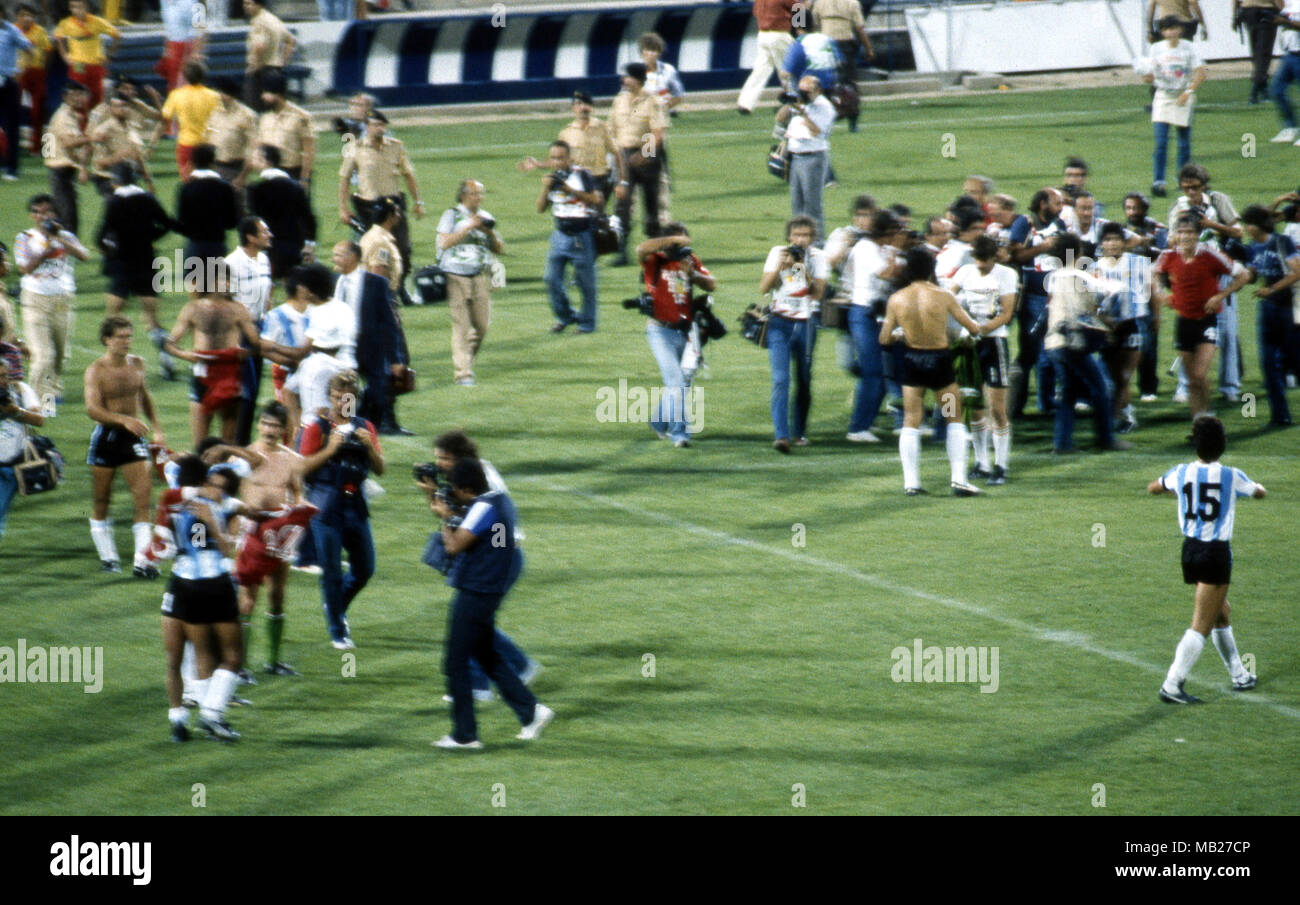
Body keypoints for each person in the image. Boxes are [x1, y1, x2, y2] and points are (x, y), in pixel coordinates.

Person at [431, 457, 553, 750]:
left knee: (455, 661)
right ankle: (531, 711)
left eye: (455, 489)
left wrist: (445, 516)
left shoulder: (482, 509)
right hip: (491, 588)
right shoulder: (501, 500)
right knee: (486, 654)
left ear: (465, 489)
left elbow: (453, 546)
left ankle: (465, 735)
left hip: (477, 591)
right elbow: (496, 543)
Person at [1148, 415, 1264, 704]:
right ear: (1223, 445)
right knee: (1201, 623)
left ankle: (1239, 675)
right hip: (1215, 553)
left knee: (1220, 611)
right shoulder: (1231, 475)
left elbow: (1154, 487)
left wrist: (1175, 492)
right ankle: (1172, 684)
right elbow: (1259, 493)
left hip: (1190, 551)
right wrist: (1255, 489)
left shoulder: (1181, 471)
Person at [421, 430, 542, 703]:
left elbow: (485, 521)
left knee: (471, 622)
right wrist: (434, 497)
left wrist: (448, 516)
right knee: (477, 622)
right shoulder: (462, 476)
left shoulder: (483, 480)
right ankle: (520, 666)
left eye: (445, 458)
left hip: (501, 558)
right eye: (437, 457)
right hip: (487, 557)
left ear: (462, 458)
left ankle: (478, 685)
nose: (440, 463)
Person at [878, 247, 988, 496]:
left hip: (912, 362)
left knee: (911, 419)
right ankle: (959, 479)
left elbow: (884, 339)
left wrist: (899, 334)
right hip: (940, 364)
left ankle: (911, 483)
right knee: (953, 417)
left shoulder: (896, 299)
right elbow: (972, 327)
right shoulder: (943, 295)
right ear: (931, 269)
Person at [156, 455, 247, 741]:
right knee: (231, 657)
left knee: (176, 658)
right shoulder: (205, 507)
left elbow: (163, 548)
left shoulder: (169, 504)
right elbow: (218, 550)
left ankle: (179, 721)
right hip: (213, 585)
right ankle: (211, 714)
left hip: (178, 586)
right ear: (204, 480)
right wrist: (217, 526)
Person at [299, 370, 384, 650]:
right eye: (337, 397)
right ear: (330, 397)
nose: (341, 403)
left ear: (355, 398)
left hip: (355, 503)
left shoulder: (365, 427)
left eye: (347, 398)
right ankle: (338, 631)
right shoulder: (318, 428)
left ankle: (335, 605)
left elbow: (380, 469)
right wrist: (330, 449)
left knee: (366, 567)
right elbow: (301, 469)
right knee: (332, 571)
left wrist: (369, 447)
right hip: (325, 505)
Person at [233, 401, 316, 676]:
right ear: (258, 424)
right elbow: (226, 495)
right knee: (247, 598)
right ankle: (240, 666)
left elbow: (298, 492)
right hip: (252, 530)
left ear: (283, 429)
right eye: (265, 423)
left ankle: (273, 661)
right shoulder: (243, 457)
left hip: (279, 532)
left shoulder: (291, 459)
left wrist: (300, 509)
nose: (269, 430)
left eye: (275, 425)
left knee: (277, 596)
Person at [85, 315, 165, 576]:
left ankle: (142, 562)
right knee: (101, 499)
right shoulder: (96, 370)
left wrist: (158, 429)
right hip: (106, 438)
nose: (126, 341)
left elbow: (145, 397)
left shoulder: (138, 364)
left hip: (133, 439)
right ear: (106, 340)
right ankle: (108, 558)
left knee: (143, 499)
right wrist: (123, 420)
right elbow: (93, 409)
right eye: (120, 337)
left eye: (129, 336)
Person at [1153, 217, 1252, 426]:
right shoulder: (1168, 256)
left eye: (1190, 232)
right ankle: (1199, 423)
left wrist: (1220, 296)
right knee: (1192, 378)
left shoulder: (1210, 255)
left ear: (1197, 234)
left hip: (1207, 321)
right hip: (1184, 322)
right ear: (1175, 235)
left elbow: (1243, 275)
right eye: (1181, 232)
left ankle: (1207, 417)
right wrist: (1161, 294)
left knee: (1199, 374)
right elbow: (1152, 274)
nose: (1186, 236)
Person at [1042, 234, 1130, 454]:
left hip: (1054, 342)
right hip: (1071, 342)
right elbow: (1082, 309)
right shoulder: (1075, 276)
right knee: (1101, 388)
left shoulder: (1055, 276)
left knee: (1069, 392)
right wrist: (1103, 327)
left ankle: (1062, 444)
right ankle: (1106, 439)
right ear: (1076, 251)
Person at [164, 258, 263, 446]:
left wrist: (246, 352)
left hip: (230, 372)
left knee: (229, 440)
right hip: (203, 372)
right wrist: (186, 355)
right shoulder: (192, 308)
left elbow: (256, 343)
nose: (226, 283)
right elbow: (170, 343)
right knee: (201, 441)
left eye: (227, 279)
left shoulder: (239, 309)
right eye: (220, 279)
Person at [1167, 165, 1243, 403]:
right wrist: (1182, 232)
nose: (1190, 191)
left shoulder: (1218, 200)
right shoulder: (1179, 207)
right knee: (1189, 329)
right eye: (1186, 187)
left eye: (1195, 187)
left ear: (1204, 185)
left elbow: (1238, 232)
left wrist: (1212, 225)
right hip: (1191, 272)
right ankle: (1185, 386)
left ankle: (1230, 386)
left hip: (1219, 270)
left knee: (1228, 331)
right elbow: (1170, 240)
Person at [636, 222, 715, 447]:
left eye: (683, 241)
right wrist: (670, 242)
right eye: (675, 242)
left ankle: (659, 422)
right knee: (677, 382)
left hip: (687, 332)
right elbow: (640, 250)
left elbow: (712, 284)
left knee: (681, 383)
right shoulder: (655, 261)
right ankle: (680, 434)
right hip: (659, 331)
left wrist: (694, 276)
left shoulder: (690, 261)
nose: (680, 246)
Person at [948, 235, 1018, 483]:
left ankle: (1001, 466)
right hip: (971, 343)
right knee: (974, 406)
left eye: (985, 262)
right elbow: (948, 297)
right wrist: (965, 325)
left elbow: (1007, 314)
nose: (980, 265)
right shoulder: (965, 272)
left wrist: (981, 329)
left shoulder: (1007, 274)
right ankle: (982, 463)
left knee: (997, 408)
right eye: (977, 261)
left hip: (994, 342)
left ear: (994, 257)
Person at [97, 163, 174, 381]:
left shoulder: (114, 202)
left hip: (121, 265)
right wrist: (150, 238)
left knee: (113, 319)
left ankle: (114, 367)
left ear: (115, 180)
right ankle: (167, 360)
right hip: (146, 262)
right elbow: (167, 224)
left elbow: (100, 236)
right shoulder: (148, 199)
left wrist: (109, 252)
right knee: (151, 318)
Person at [337, 108, 422, 298]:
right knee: (370, 248)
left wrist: (418, 201)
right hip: (368, 206)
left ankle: (399, 286)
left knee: (403, 248)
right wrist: (343, 208)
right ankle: (370, 290)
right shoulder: (355, 148)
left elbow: (408, 174)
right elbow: (344, 178)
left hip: (393, 205)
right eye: (376, 125)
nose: (380, 128)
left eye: (382, 125)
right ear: (367, 127)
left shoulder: (396, 147)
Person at [16, 194, 89, 409]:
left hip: (62, 299)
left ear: (54, 214)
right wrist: (46, 251)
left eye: (47, 211)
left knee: (60, 352)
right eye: (37, 212)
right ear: (32, 215)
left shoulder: (65, 235)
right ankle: (34, 401)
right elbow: (25, 268)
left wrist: (60, 239)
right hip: (35, 299)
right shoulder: (24, 238)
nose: (42, 216)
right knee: (43, 354)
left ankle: (53, 387)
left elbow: (83, 255)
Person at [760, 215, 827, 453]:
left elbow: (817, 293)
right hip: (780, 323)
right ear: (789, 236)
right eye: (797, 235)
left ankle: (799, 431)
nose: (801, 240)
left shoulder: (818, 257)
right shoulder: (778, 252)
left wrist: (800, 268)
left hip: (806, 325)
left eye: (806, 235)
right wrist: (781, 266)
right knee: (780, 379)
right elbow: (764, 287)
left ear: (813, 237)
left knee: (804, 379)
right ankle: (781, 436)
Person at [998, 189, 1067, 418]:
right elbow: (1015, 256)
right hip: (1031, 298)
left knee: (1053, 348)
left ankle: (1046, 403)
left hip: (1055, 296)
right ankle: (1013, 407)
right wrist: (1043, 247)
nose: (1061, 206)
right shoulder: (1023, 223)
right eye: (1057, 202)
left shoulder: (1060, 225)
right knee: (1029, 352)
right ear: (1042, 205)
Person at [329, 240, 405, 433]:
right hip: (341, 348)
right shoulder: (333, 280)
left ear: (352, 257)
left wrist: (395, 359)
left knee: (379, 396)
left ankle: (369, 432)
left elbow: (389, 323)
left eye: (338, 254)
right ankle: (347, 434)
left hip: (370, 349)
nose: (333, 259)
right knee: (345, 395)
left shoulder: (376, 283)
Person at [842, 209, 904, 443]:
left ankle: (865, 424)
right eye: (894, 231)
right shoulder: (866, 248)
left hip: (878, 314)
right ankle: (857, 428)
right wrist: (897, 249)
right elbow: (889, 273)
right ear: (884, 232)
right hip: (865, 314)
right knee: (873, 372)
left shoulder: (878, 248)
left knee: (886, 371)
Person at [1238, 203, 1300, 426]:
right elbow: (1253, 274)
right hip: (1268, 309)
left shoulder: (1281, 242)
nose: (1246, 228)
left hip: (1289, 307)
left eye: (1248, 224)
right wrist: (1244, 274)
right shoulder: (1253, 247)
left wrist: (1271, 289)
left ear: (1257, 225)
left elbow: (1296, 272)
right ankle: (1280, 416)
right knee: (1267, 363)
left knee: (1293, 359)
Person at [437, 179, 502, 387]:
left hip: (479, 275)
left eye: (481, 193)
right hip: (456, 275)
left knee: (482, 326)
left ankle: (466, 362)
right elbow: (444, 242)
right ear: (463, 195)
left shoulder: (486, 217)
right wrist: (468, 227)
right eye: (475, 193)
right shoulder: (452, 215)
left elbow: (499, 248)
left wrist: (488, 231)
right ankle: (463, 373)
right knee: (461, 325)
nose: (479, 197)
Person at [1090, 222, 1153, 435]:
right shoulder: (1094, 268)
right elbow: (1091, 300)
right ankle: (1119, 414)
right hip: (1106, 327)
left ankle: (1122, 418)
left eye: (1116, 239)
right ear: (1101, 244)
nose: (1112, 243)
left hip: (1131, 324)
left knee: (1124, 376)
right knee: (1110, 374)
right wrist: (1103, 321)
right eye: (1107, 239)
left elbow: (1153, 290)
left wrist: (1156, 317)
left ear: (1123, 242)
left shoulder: (1138, 263)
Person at [520, 90, 624, 211]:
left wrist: (621, 181)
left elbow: (617, 154)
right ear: (573, 108)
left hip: (598, 180)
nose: (583, 108)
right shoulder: (566, 132)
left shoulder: (602, 127)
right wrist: (538, 164)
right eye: (579, 104)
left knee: (596, 217)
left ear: (591, 107)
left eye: (586, 104)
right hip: (577, 181)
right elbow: (558, 159)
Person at [1138, 17, 1206, 199]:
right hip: (1163, 96)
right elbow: (1149, 76)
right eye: (1166, 30)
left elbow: (1201, 73)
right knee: (1161, 143)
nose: (1170, 33)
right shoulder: (1156, 49)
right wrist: (1145, 75)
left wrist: (1189, 91)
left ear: (1180, 29)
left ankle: (1182, 180)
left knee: (1183, 143)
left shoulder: (1188, 48)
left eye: (1173, 28)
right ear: (1162, 32)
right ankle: (1158, 182)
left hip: (1182, 95)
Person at [538, 139, 602, 334]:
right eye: (553, 158)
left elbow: (596, 199)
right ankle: (566, 316)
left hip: (581, 235)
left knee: (586, 283)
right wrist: (545, 188)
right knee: (551, 279)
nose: (557, 162)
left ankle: (587, 324)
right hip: (559, 235)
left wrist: (569, 190)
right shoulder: (551, 178)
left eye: (561, 158)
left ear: (570, 158)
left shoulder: (582, 175)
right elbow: (540, 208)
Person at [609, 62, 667, 266]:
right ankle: (622, 252)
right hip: (624, 157)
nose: (624, 80)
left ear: (638, 79)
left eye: (628, 77)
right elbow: (612, 131)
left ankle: (655, 252)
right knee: (622, 205)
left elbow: (658, 132)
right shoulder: (619, 101)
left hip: (647, 159)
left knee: (651, 207)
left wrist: (645, 154)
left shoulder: (652, 101)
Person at [225, 215, 273, 443]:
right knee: (246, 391)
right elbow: (224, 300)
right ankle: (239, 445)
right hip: (240, 331)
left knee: (252, 391)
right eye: (264, 232)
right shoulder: (231, 263)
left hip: (260, 327)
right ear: (250, 237)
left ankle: (241, 443)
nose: (269, 235)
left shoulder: (264, 259)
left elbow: (268, 291)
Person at [248, 144, 317, 279]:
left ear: (265, 161)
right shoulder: (296, 187)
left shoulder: (256, 189)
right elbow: (308, 218)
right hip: (294, 245)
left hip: (269, 248)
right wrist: (310, 244)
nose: (252, 160)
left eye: (255, 157)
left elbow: (254, 221)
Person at [781, 74, 836, 239]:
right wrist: (787, 104)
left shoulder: (824, 107)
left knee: (812, 205)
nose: (803, 95)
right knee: (796, 203)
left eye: (807, 92)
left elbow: (817, 131)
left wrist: (803, 111)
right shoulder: (800, 103)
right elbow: (780, 120)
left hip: (813, 158)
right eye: (801, 91)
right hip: (796, 157)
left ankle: (818, 243)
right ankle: (799, 242)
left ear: (818, 90)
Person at [0, 348, 45, 542]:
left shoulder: (20, 390)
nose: (3, 380)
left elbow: (39, 419)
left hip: (10, 465)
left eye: (5, 375)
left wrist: (15, 412)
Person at [639, 32, 684, 225]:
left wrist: (663, 109)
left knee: (659, 171)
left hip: (657, 131)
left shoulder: (667, 71)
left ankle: (661, 216)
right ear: (641, 53)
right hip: (641, 130)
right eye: (647, 50)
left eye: (654, 50)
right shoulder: (634, 73)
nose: (651, 54)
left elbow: (678, 95)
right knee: (646, 168)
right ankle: (643, 213)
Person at [177, 144, 241, 267]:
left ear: (193, 163)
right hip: (217, 243)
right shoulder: (225, 188)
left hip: (195, 244)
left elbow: (181, 221)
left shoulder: (186, 188)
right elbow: (232, 222)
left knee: (195, 284)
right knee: (217, 284)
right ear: (213, 163)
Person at [43, 81, 91, 236]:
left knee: (64, 211)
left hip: (62, 168)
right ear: (65, 96)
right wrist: (91, 138)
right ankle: (68, 250)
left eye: (81, 95)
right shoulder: (63, 117)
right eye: (74, 95)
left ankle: (62, 248)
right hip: (60, 169)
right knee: (67, 213)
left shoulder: (70, 115)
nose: (78, 99)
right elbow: (69, 143)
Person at [160, 60, 220, 180]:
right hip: (208, 143)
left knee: (189, 183)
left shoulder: (176, 94)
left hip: (186, 143)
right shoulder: (213, 96)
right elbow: (220, 120)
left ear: (185, 76)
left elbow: (165, 117)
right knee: (210, 182)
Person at [53, 0, 119, 110]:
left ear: (86, 7)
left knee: (96, 95)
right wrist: (65, 56)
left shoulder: (97, 22)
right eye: (74, 7)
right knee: (78, 95)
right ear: (70, 8)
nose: (78, 10)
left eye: (81, 7)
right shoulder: (66, 23)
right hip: (78, 65)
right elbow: (58, 38)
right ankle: (80, 123)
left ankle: (94, 124)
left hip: (95, 64)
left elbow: (117, 36)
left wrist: (109, 56)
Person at [88, 92, 153, 197]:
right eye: (118, 106)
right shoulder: (103, 131)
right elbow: (98, 164)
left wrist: (148, 180)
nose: (123, 109)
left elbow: (136, 155)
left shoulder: (131, 128)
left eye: (125, 106)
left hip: (128, 176)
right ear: (111, 109)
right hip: (108, 179)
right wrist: (120, 157)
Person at [737, 0, 796, 115]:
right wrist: (801, 29)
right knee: (787, 69)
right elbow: (798, 8)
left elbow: (755, 13)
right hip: (779, 34)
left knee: (760, 71)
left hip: (763, 35)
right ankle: (793, 99)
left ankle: (745, 103)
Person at [256, 70, 313, 186]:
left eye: (266, 92)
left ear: (278, 94)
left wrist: (304, 179)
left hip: (292, 175)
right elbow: (259, 147)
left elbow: (308, 151)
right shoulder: (265, 118)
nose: (262, 96)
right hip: (270, 175)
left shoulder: (301, 117)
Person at [243, 0, 295, 113]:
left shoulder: (259, 21)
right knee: (276, 110)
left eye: (249, 3)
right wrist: (283, 60)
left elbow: (260, 45)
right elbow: (291, 40)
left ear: (258, 4)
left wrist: (255, 65)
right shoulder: (273, 19)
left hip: (262, 71)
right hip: (276, 69)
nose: (245, 7)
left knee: (254, 110)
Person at [0, 5, 33, 181]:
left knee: (11, 125)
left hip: (7, 80)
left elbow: (28, 47)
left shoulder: (11, 30)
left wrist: (20, 69)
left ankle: (12, 168)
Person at [14, 4, 51, 159]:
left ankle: (36, 147)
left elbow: (48, 51)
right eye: (23, 15)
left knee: (38, 110)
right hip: (17, 73)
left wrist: (42, 67)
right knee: (12, 109)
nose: (27, 18)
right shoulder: (11, 30)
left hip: (37, 72)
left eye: (30, 15)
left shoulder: (40, 31)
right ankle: (10, 146)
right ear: (18, 16)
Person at [206, 78, 259, 185]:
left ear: (231, 95)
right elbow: (208, 139)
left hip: (236, 169)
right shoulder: (215, 114)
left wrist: (242, 176)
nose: (218, 96)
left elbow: (252, 148)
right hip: (215, 168)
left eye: (221, 92)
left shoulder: (247, 115)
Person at [1235, 0, 1283, 104]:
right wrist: (1282, 11)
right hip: (1266, 9)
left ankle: (1263, 88)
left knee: (1256, 51)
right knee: (1264, 52)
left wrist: (1235, 14)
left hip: (1247, 10)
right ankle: (1255, 88)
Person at [157, 0, 205, 94]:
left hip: (186, 47)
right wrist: (167, 48)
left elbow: (200, 28)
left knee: (185, 85)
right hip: (173, 46)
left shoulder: (193, 4)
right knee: (173, 84)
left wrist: (196, 52)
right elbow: (170, 26)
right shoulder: (163, 1)